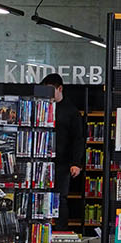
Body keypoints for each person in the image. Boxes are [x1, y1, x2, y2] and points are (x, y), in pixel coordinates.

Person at [41, 73, 85, 229]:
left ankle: (60, 230)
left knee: (60, 198)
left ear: (60, 89)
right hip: (42, 159)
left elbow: (78, 139)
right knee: (40, 196)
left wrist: (76, 163)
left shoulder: (71, 111)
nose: (47, 94)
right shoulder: (42, 107)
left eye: (50, 90)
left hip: (63, 162)